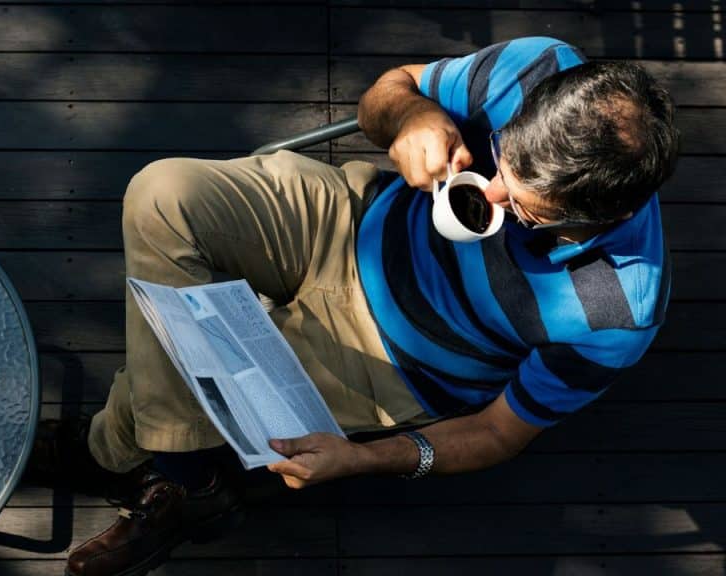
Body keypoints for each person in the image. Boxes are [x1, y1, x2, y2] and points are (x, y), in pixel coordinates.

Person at [34, 36, 679, 576]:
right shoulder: (536, 66)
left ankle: (113, 453)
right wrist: (411, 115)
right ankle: (191, 482)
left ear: (603, 218)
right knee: (162, 193)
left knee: (168, 373)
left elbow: (498, 433)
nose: (490, 192)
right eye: (502, 159)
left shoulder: (618, 310)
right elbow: (387, 93)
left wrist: (366, 459)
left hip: (393, 363)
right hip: (350, 218)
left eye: (526, 208)